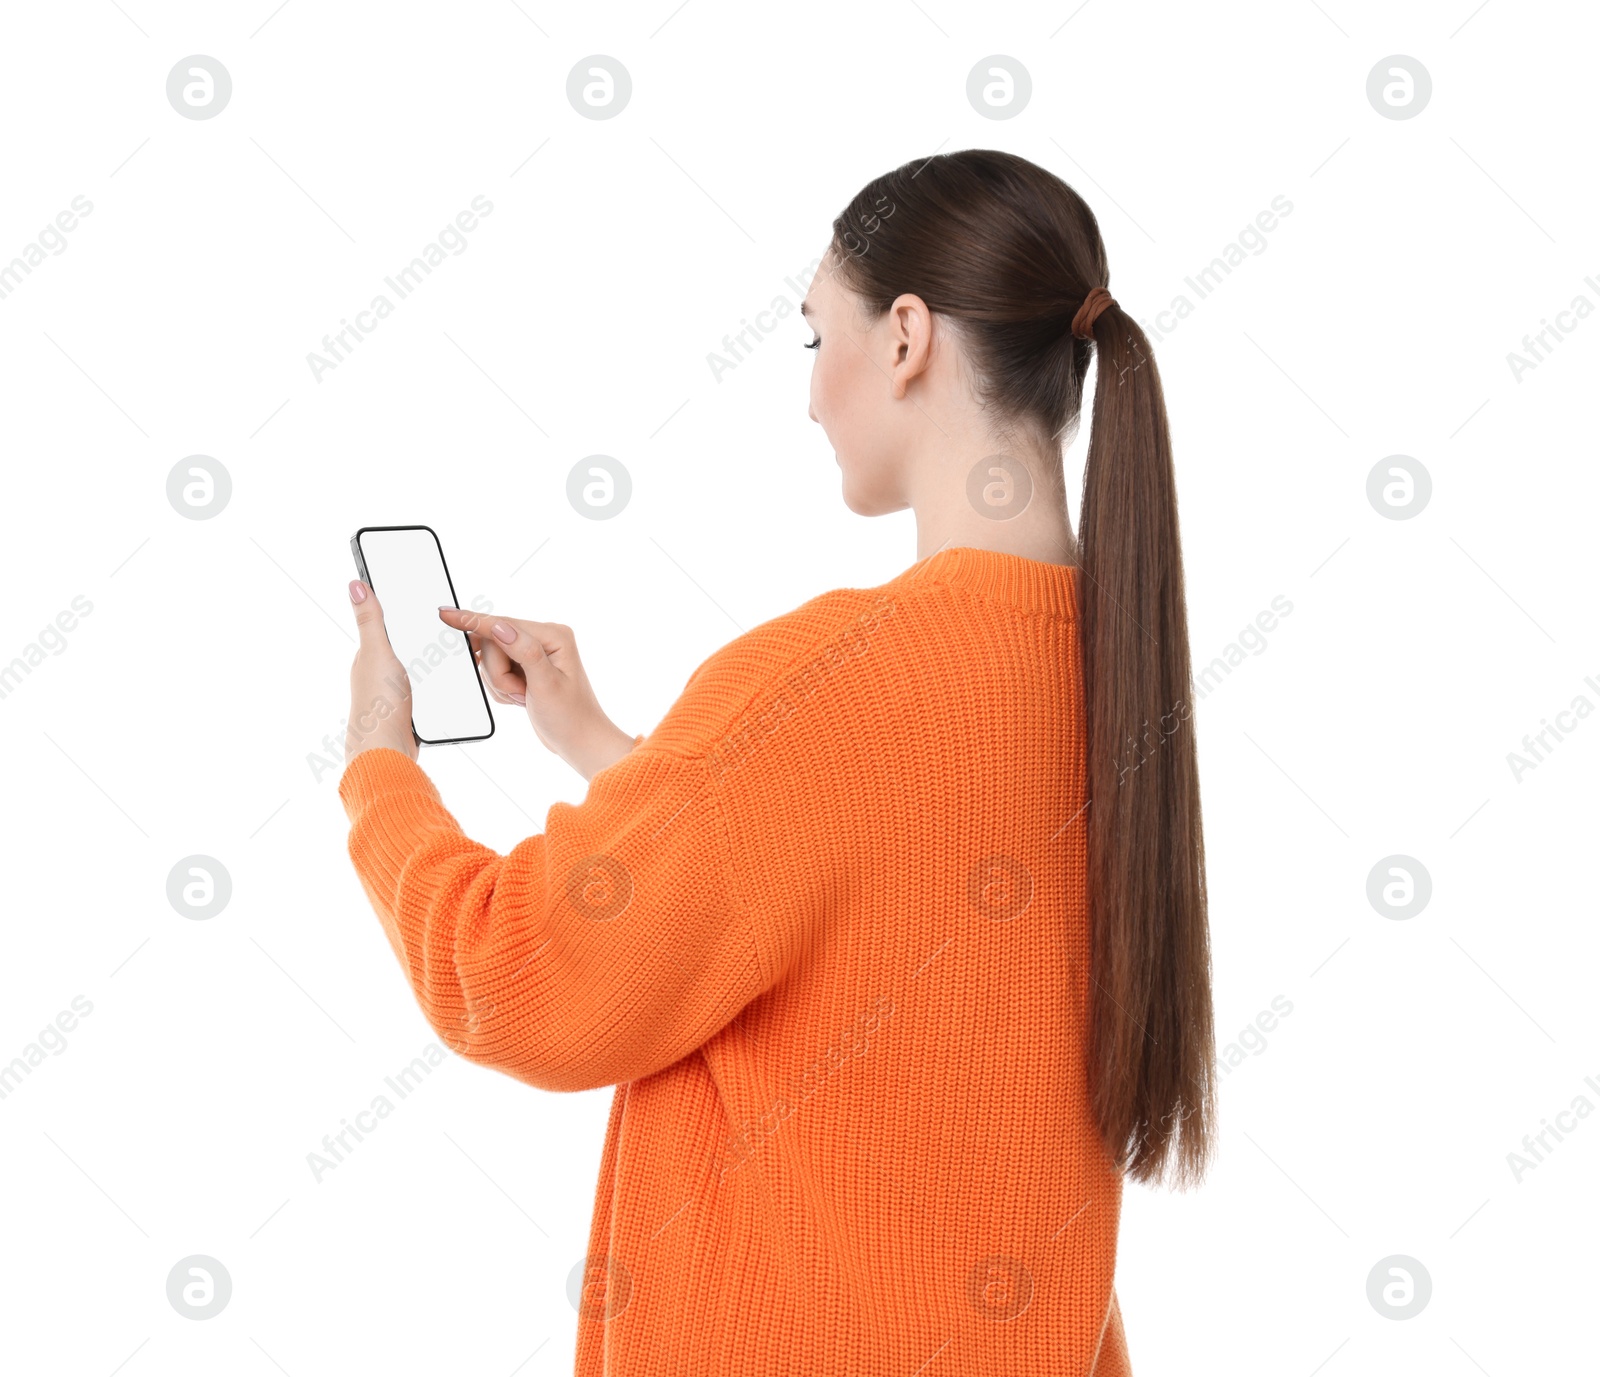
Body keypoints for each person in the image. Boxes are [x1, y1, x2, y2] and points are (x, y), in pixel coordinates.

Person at [339, 148, 1215, 1376]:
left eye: (816, 340)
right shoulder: (1113, 677)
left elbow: (512, 975)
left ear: (905, 337)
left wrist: (376, 764)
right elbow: (859, 902)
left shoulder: (825, 682)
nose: (810, 397)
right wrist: (605, 748)